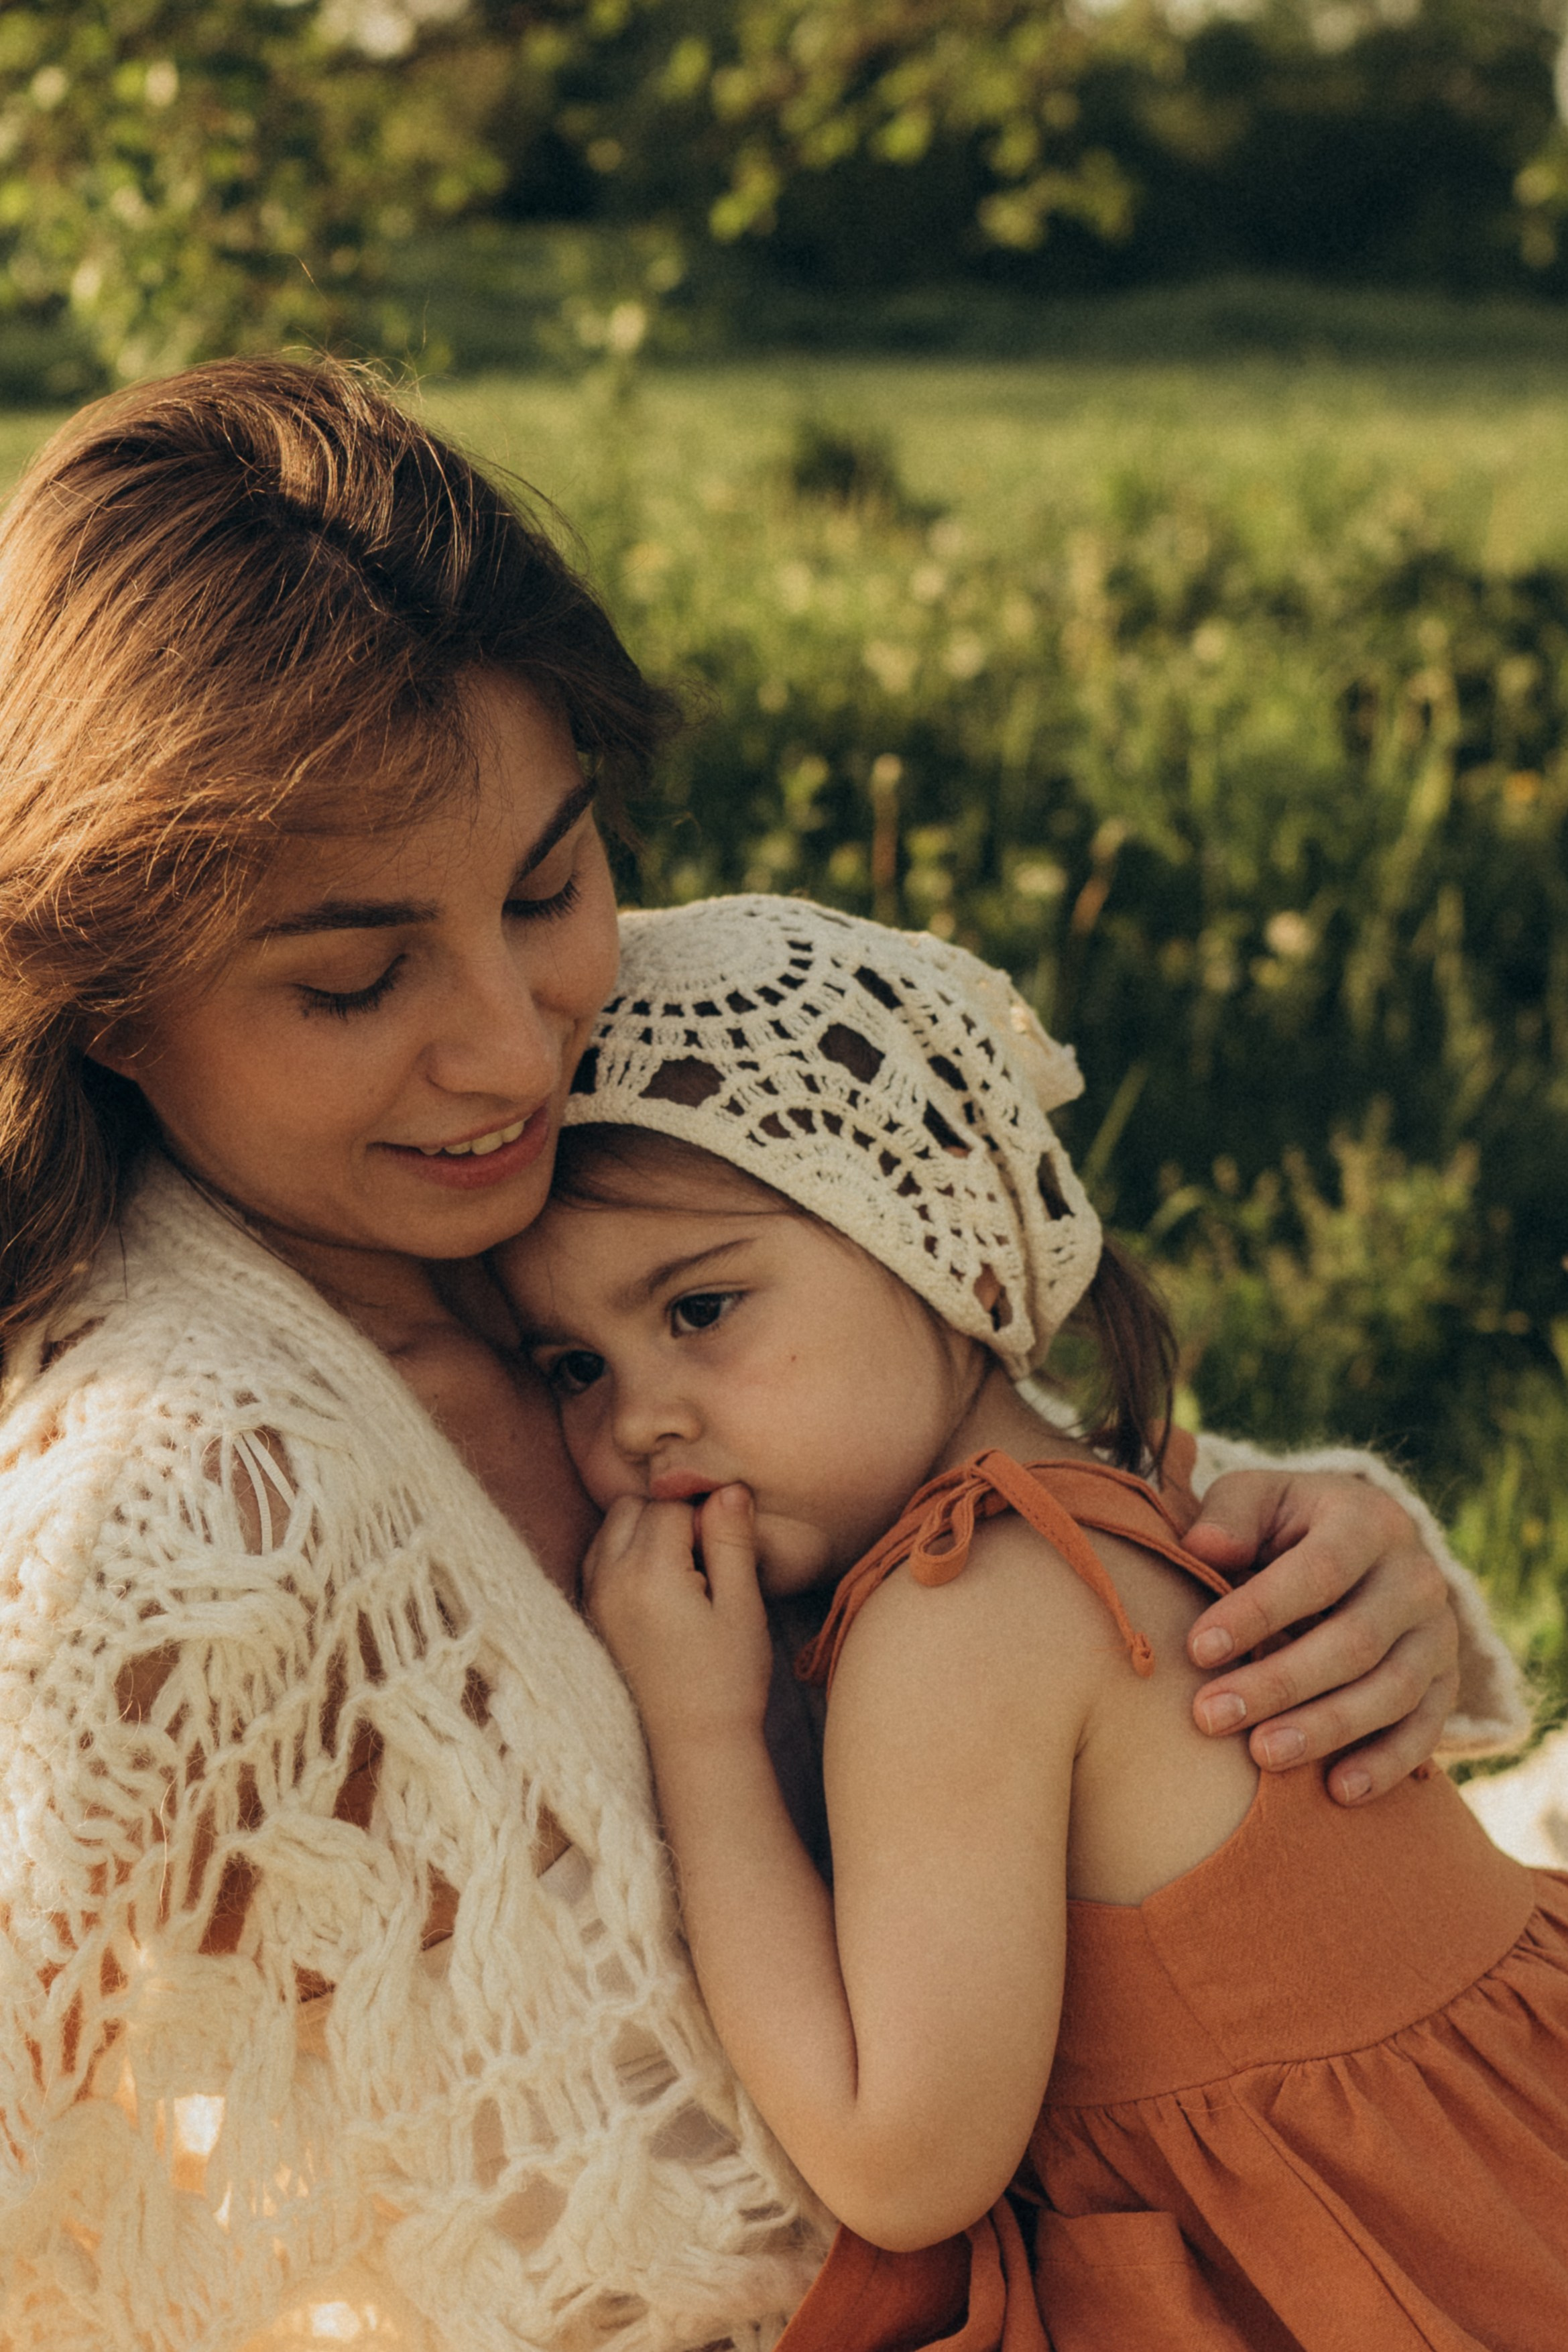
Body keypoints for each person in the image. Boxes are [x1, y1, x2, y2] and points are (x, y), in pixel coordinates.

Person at [0, 359, 1522, 2352]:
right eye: (356, 980)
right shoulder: (172, 1506)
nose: (513, 1041)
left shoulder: (603, 1105)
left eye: (552, 883)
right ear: (107, 993)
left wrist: (1314, 1557)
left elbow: (961, 1443)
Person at [497, 892, 1568, 2351]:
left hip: (1409, 2270)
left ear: (943, 1242)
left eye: (701, 1309)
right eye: (570, 1364)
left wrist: (702, 1732)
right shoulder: (1117, 1500)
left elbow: (900, 2162)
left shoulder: (960, 1614)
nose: (638, 1417)